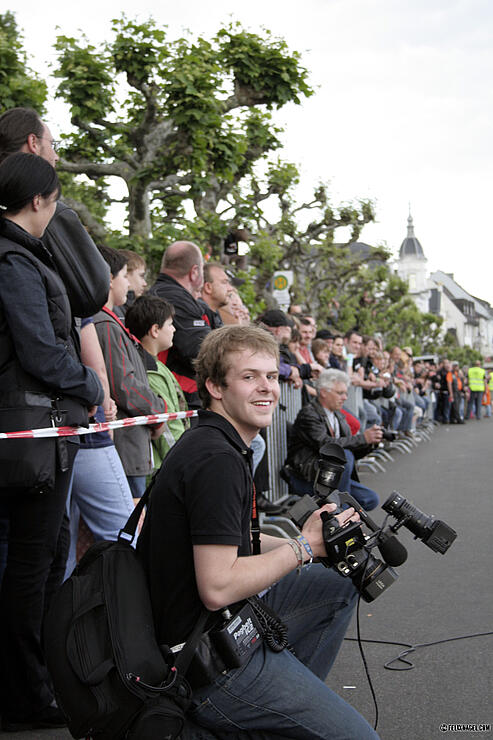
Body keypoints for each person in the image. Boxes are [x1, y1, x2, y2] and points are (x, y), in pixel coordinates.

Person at [138, 325, 379, 739]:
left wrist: (309, 545)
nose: (266, 388)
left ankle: (287, 706)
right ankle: (250, 714)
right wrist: (304, 546)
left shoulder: (218, 441)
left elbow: (234, 540)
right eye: (249, 377)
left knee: (336, 583)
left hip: (213, 628)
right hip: (206, 660)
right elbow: (217, 585)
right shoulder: (217, 460)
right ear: (214, 385)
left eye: (271, 376)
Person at [0, 153, 104, 731]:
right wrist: (90, 382)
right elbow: (40, 349)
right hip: (34, 432)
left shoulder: (20, 255)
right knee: (31, 564)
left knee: (41, 559)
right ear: (40, 199)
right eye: (56, 197)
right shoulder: (14, 258)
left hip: (39, 429)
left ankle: (32, 686)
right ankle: (24, 695)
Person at [94, 246, 165, 500]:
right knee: (130, 525)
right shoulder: (105, 325)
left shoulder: (111, 323)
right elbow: (125, 386)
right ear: (109, 279)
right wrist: (157, 412)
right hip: (125, 446)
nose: (129, 284)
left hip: (131, 445)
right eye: (125, 275)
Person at [286, 369, 381, 510]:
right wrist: (362, 438)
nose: (345, 397)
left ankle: (339, 511)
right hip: (308, 476)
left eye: (346, 393)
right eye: (340, 393)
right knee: (345, 455)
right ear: (324, 392)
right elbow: (325, 445)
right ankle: (337, 515)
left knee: (370, 499)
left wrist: (370, 443)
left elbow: (351, 448)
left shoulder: (338, 415)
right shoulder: (309, 413)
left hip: (331, 475)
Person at [126, 294, 189, 468]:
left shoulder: (157, 365)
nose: (174, 329)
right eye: (170, 324)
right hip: (165, 467)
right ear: (155, 330)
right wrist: (181, 463)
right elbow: (168, 427)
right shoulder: (150, 372)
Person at [148, 241, 208, 408]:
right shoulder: (173, 297)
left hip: (175, 393)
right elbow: (200, 348)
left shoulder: (163, 293)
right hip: (182, 395)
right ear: (194, 272)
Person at [199, 261, 232, 329]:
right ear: (208, 287)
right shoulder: (198, 314)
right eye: (224, 282)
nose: (230, 289)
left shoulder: (213, 315)